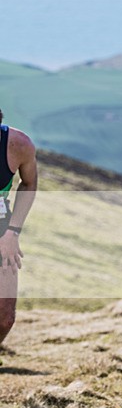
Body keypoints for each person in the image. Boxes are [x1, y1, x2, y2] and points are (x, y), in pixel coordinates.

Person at [0, 109, 37, 345]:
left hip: (2, 228)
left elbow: (29, 182)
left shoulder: (17, 144)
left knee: (4, 317)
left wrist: (12, 232)